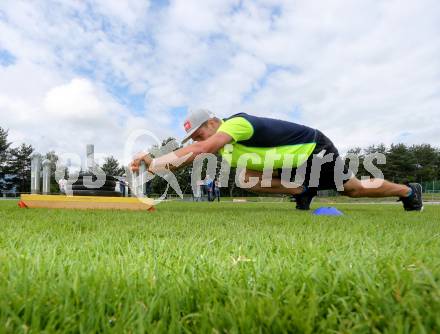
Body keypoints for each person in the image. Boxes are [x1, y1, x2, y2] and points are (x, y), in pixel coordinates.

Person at [131, 109, 423, 211]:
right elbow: (189, 158)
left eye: (198, 132)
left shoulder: (235, 125)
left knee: (353, 189)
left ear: (213, 121)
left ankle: (410, 192)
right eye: (192, 136)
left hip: (313, 149)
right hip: (293, 166)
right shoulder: (226, 149)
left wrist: (155, 159)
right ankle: (301, 191)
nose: (196, 139)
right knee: (244, 178)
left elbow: (203, 149)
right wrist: (152, 165)